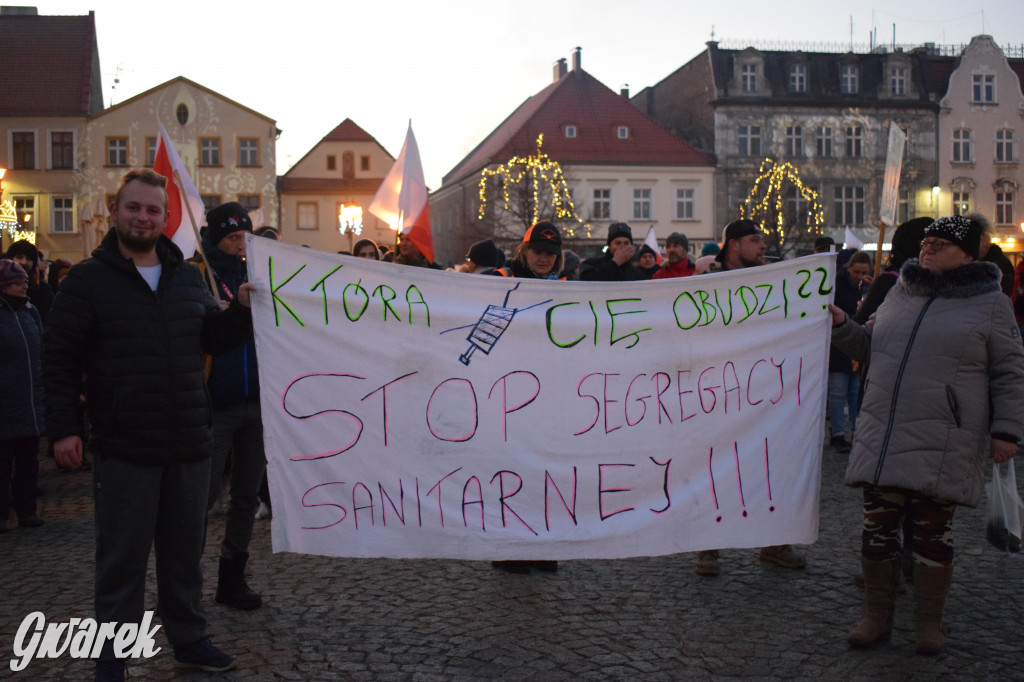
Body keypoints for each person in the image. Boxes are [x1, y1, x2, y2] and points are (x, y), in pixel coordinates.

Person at [44, 169, 255, 679]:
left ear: (166, 217)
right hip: (124, 445)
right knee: (122, 561)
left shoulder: (185, 276)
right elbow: (59, 361)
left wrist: (243, 311)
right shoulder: (87, 283)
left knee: (184, 557)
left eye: (153, 210)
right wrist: (64, 429)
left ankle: (190, 639)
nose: (143, 217)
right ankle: (112, 656)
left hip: (187, 442)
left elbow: (213, 337)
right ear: (115, 212)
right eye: (134, 207)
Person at [829, 215, 1024, 655]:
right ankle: (875, 617)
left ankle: (928, 625)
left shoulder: (990, 304)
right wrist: (843, 324)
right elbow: (866, 346)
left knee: (932, 536)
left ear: (968, 255)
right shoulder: (901, 292)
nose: (928, 249)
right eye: (926, 242)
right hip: (884, 433)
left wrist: (1007, 431)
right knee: (876, 533)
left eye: (940, 243)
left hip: (943, 437)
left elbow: (1010, 372)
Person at [694, 219, 807, 576]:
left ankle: (774, 542)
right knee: (714, 468)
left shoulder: (773, 281)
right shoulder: (707, 282)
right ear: (733, 245)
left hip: (762, 390)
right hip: (716, 389)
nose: (762, 246)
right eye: (755, 240)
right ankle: (707, 547)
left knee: (770, 465)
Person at [194, 202, 267, 611]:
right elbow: (206, 337)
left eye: (245, 237)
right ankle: (187, 579)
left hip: (256, 402)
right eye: (233, 237)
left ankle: (232, 576)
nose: (240, 244)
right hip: (215, 403)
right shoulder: (200, 274)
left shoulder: (259, 271)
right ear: (217, 238)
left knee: (246, 495)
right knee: (202, 497)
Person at [0, 259, 45, 532]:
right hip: (5, 401)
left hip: (30, 399)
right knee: (2, 464)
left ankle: (27, 510)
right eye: (18, 282)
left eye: (24, 281)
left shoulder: (30, 311)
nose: (23, 286)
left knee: (29, 461)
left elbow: (41, 347)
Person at [827, 251, 872, 452]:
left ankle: (856, 431)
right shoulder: (836, 285)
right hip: (839, 347)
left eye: (864, 272)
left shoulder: (869, 286)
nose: (860, 275)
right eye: (857, 272)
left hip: (857, 344)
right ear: (848, 269)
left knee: (855, 393)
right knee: (837, 393)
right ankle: (837, 433)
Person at [494, 222, 564, 280]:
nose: (543, 259)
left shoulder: (567, 283)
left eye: (550, 253)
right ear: (524, 250)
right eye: (538, 252)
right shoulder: (501, 277)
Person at [6, 240, 54, 323]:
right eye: (19, 257)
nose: (24, 262)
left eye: (28, 259)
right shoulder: (3, 286)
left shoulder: (42, 290)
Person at [579, 223, 645, 281]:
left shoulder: (637, 273)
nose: (622, 247)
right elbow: (586, 279)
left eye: (626, 243)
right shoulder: (592, 264)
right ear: (610, 245)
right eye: (618, 243)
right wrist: (615, 262)